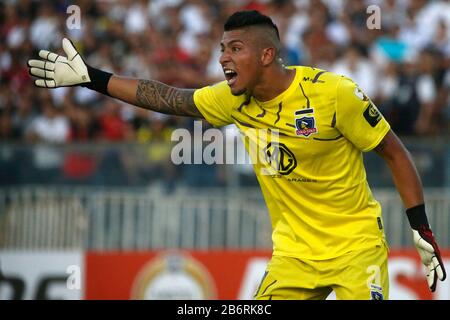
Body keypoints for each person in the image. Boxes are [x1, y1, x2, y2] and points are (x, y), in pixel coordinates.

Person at [27, 10, 445, 300]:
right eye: (222, 48)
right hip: (293, 255)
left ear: (267, 55)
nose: (224, 57)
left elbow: (395, 153)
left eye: (236, 48)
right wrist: (91, 78)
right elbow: (168, 97)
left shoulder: (334, 93)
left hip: (356, 249)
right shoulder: (231, 99)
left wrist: (421, 230)